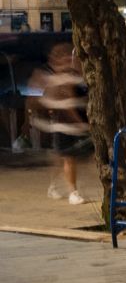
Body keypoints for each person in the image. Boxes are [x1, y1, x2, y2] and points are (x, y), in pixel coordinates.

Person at [28, 42, 90, 205]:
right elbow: (66, 105)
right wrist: (80, 122)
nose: (67, 60)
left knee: (61, 158)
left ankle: (54, 187)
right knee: (69, 158)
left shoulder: (70, 76)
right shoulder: (60, 79)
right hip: (64, 126)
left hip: (68, 125)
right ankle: (73, 192)